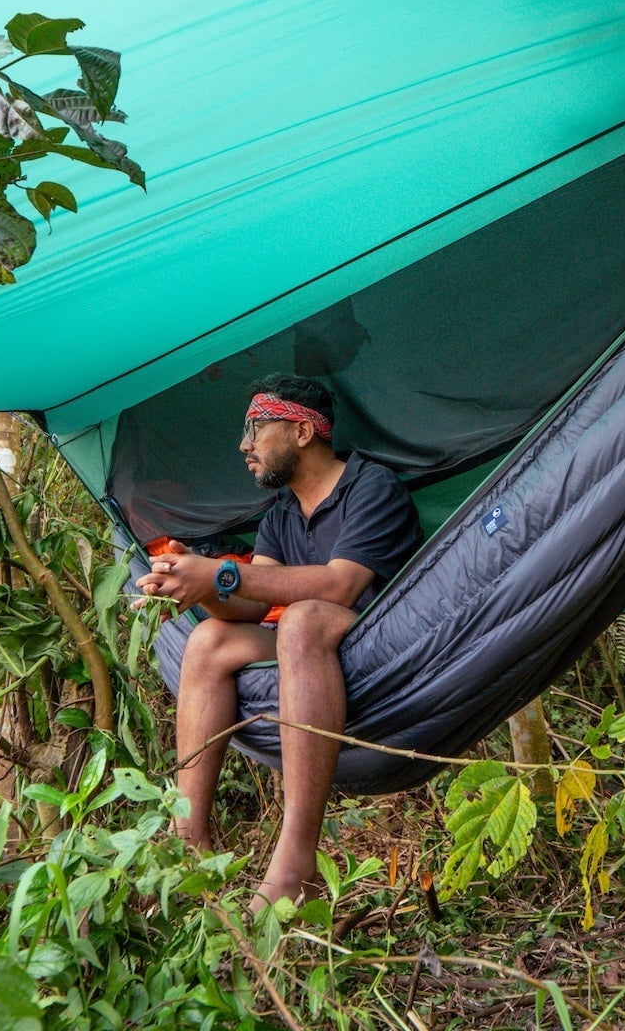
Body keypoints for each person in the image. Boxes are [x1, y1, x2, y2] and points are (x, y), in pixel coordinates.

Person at [135, 373, 422, 908]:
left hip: (388, 646)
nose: (244, 445)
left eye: (256, 428)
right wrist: (198, 582)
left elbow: (340, 587)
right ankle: (188, 842)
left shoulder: (371, 487)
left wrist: (222, 572)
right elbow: (250, 602)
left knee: (303, 619)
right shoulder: (281, 515)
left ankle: (297, 859)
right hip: (310, 653)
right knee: (209, 640)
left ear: (302, 432)